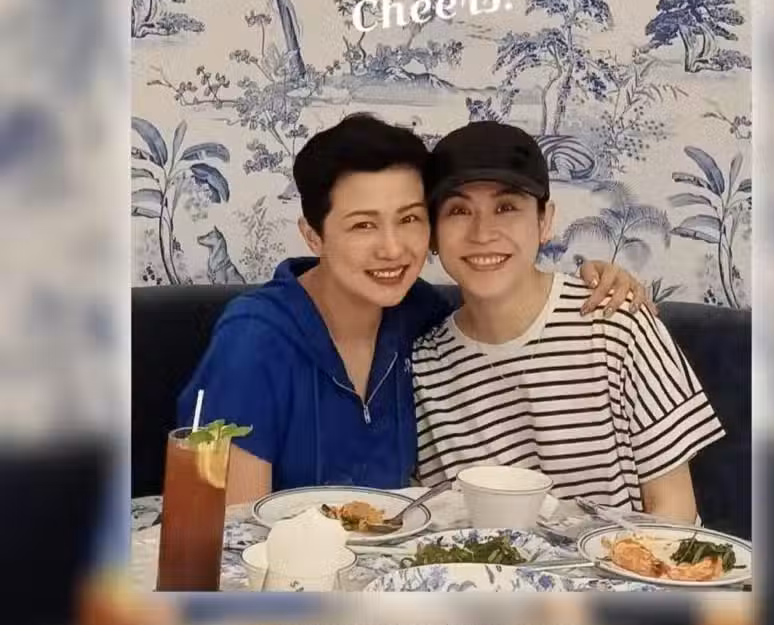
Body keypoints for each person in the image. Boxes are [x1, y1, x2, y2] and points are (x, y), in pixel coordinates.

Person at [178, 115, 652, 504]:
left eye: (409, 219)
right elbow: (226, 536)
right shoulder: (251, 341)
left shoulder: (420, 317)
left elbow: (503, 307)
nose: (393, 248)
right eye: (363, 225)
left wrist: (602, 278)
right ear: (313, 235)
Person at [412, 120, 726, 523]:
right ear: (432, 235)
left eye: (506, 208)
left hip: (634, 558)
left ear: (544, 221)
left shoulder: (616, 323)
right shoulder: (424, 365)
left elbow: (674, 510)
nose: (483, 233)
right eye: (458, 211)